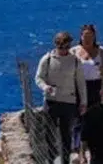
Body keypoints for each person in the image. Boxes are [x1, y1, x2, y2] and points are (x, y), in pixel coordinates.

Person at [34, 31, 88, 164]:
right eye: (61, 47)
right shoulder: (47, 59)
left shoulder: (75, 61)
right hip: (51, 102)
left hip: (68, 102)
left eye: (67, 47)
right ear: (56, 45)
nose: (64, 50)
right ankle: (50, 160)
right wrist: (45, 87)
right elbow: (38, 78)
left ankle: (65, 161)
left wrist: (83, 102)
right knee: (49, 134)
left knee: (66, 136)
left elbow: (81, 83)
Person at [73, 24, 103, 153]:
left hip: (97, 86)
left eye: (90, 36)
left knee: (95, 116)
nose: (87, 39)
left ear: (94, 37)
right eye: (85, 36)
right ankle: (78, 147)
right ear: (81, 36)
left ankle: (94, 144)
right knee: (80, 117)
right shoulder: (74, 52)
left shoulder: (102, 51)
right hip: (80, 87)